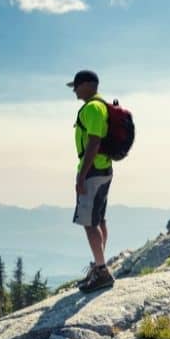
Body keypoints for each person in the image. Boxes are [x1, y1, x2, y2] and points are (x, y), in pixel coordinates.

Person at [67, 70, 115, 293]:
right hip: (103, 169)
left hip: (93, 171)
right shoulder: (102, 106)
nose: (74, 91)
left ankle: (102, 270)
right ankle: (99, 265)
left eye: (76, 86)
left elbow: (94, 141)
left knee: (89, 222)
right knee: (98, 218)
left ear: (86, 85)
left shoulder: (93, 108)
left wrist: (81, 174)